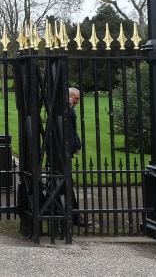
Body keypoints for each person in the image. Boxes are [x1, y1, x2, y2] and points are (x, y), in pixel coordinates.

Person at [68, 87, 92, 228]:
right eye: (76, 98)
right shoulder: (66, 110)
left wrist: (77, 144)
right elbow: (69, 129)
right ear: (69, 97)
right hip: (61, 153)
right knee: (67, 185)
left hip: (64, 153)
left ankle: (74, 216)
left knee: (66, 185)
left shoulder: (69, 110)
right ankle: (75, 217)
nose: (77, 101)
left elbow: (73, 129)